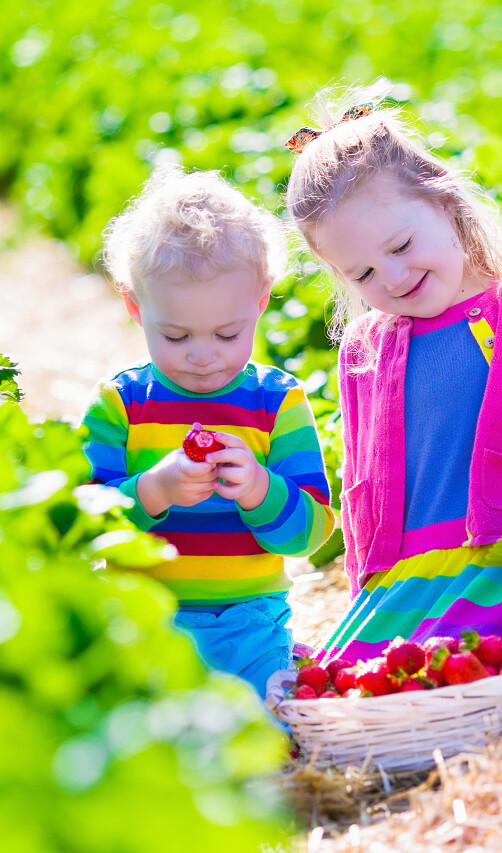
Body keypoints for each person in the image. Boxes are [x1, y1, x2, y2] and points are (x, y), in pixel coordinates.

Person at [283, 92, 502, 665]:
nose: (394, 277)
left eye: (401, 246)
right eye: (364, 273)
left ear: (445, 203)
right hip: (406, 578)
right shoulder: (365, 348)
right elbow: (361, 489)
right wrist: (363, 587)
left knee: (468, 666)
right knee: (347, 681)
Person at [82, 166, 334, 698]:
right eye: (175, 335)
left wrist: (260, 490)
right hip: (144, 619)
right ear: (135, 306)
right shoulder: (120, 404)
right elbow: (86, 523)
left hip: (249, 624)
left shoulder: (277, 402)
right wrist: (155, 489)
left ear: (261, 301)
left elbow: (310, 533)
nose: (203, 355)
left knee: (261, 737)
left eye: (227, 333)